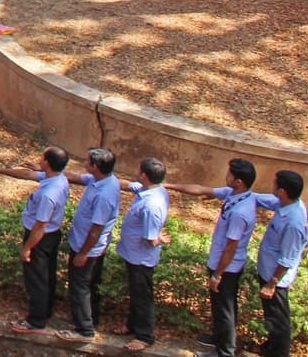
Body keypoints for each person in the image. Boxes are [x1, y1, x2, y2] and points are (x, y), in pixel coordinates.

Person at [166, 158, 261, 357]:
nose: (226, 176)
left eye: (230, 174)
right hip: (221, 263)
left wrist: (218, 274)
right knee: (221, 306)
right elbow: (201, 190)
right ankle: (220, 338)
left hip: (227, 267)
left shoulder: (240, 212)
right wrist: (168, 185)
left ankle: (225, 351)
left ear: (239, 182)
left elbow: (231, 247)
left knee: (225, 308)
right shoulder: (234, 194)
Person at [9, 146, 72, 334]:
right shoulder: (60, 179)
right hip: (52, 235)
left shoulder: (48, 194)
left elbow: (40, 226)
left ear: (48, 163)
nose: (39, 159)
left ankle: (36, 321)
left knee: (37, 280)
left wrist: (27, 248)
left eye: (42, 158)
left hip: (40, 238)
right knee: (47, 276)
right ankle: (45, 311)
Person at [63, 148, 122, 339]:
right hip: (91, 246)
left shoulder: (104, 194)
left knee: (79, 287)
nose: (84, 163)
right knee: (91, 283)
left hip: (87, 247)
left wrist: (83, 253)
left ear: (95, 166)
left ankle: (84, 330)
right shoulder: (103, 180)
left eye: (87, 161)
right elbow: (77, 178)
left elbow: (96, 229)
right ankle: (92, 318)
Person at [113, 157, 171, 352]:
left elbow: (150, 240)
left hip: (141, 258)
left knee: (142, 297)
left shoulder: (152, 204)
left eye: (139, 171)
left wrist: (160, 239)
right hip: (133, 255)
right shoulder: (150, 190)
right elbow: (128, 185)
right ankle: (132, 325)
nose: (136, 173)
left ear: (145, 176)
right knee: (136, 293)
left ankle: (145, 336)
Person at [253, 170, 308, 357]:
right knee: (272, 317)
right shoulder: (288, 204)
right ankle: (270, 347)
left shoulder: (293, 222)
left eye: (275, 184)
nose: (272, 186)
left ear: (282, 191)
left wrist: (272, 284)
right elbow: (267, 200)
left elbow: (287, 258)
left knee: (279, 321)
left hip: (276, 278)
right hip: (268, 271)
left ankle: (279, 353)